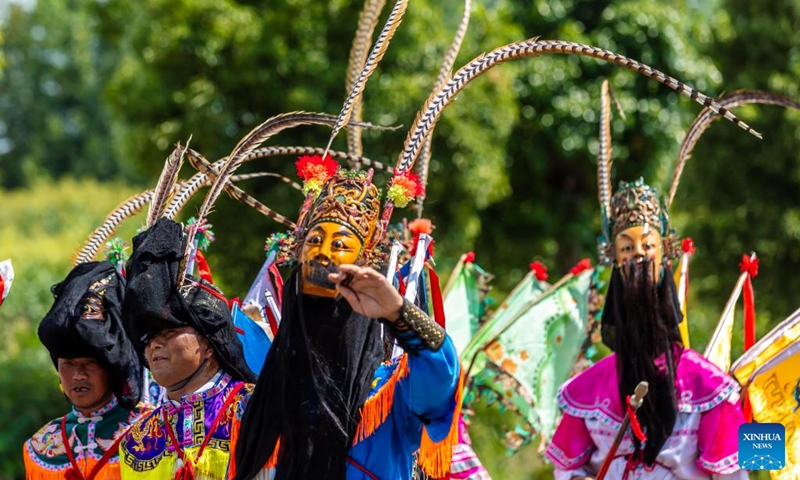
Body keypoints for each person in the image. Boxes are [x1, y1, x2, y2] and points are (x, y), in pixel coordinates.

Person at [233, 162, 463, 480]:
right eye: (313, 242)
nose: (322, 253)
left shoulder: (386, 394)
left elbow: (442, 383)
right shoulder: (265, 396)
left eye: (339, 245)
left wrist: (399, 313)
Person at [544, 177, 747, 479]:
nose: (638, 255)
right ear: (614, 261)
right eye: (626, 247)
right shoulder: (590, 389)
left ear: (664, 257)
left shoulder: (707, 387)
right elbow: (566, 468)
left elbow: (732, 475)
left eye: (648, 245)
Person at [118, 218, 257, 479]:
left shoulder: (256, 408)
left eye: (169, 332)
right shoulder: (136, 441)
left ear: (208, 344)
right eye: (148, 338)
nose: (154, 344)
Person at [23, 261, 148, 480]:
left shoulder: (152, 430)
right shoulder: (40, 446)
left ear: (111, 366)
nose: (78, 375)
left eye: (89, 363)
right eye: (68, 364)